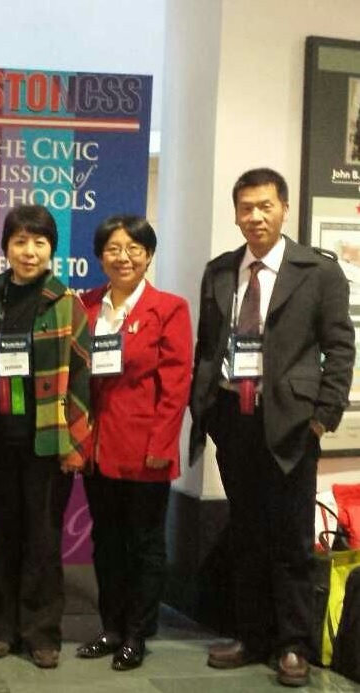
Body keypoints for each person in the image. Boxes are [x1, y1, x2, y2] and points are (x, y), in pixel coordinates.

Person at [189, 168, 355, 688]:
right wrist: (206, 410)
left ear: (284, 208)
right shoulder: (220, 271)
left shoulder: (318, 271)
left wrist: (323, 418)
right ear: (236, 214)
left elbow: (340, 348)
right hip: (233, 419)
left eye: (265, 206)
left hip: (292, 424)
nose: (255, 217)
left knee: (291, 539)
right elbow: (208, 345)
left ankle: (293, 645)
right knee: (246, 533)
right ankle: (252, 635)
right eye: (246, 208)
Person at [77, 215, 192, 670]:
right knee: (106, 541)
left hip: (146, 449)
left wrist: (162, 445)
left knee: (144, 544)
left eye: (133, 249)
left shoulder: (169, 308)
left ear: (148, 255)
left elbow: (176, 385)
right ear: (99, 255)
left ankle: (137, 634)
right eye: (113, 248)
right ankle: (110, 627)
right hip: (98, 448)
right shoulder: (86, 305)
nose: (123, 257)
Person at [0, 204, 91, 669]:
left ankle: (42, 633)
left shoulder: (66, 303)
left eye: (39, 242)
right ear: (6, 247)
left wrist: (76, 444)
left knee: (43, 541)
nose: (29, 251)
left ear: (52, 250)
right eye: (20, 241)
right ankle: (1, 627)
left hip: (47, 440)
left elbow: (82, 377)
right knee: (3, 535)